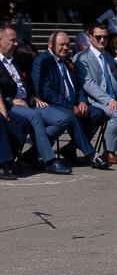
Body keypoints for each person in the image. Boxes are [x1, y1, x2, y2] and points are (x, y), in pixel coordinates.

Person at [0, 24, 73, 174]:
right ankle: (50, 160)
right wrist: (10, 100)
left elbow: (25, 83)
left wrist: (33, 96)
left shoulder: (16, 60)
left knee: (64, 118)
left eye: (16, 40)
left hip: (29, 101)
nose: (16, 43)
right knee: (35, 116)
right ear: (0, 41)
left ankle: (32, 154)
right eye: (12, 40)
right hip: (12, 105)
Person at [32, 32, 110, 170]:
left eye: (68, 44)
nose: (65, 48)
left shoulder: (68, 61)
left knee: (98, 113)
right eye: (61, 44)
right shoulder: (42, 61)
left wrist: (82, 101)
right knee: (71, 115)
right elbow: (46, 92)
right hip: (53, 105)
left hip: (73, 103)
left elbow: (78, 85)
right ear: (50, 44)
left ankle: (70, 147)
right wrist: (71, 106)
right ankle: (92, 155)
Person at [74, 23, 117, 165]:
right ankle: (110, 152)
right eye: (98, 37)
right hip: (95, 101)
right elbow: (88, 84)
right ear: (90, 37)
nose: (102, 40)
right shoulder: (82, 58)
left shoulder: (108, 57)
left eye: (105, 37)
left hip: (115, 97)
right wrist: (108, 100)